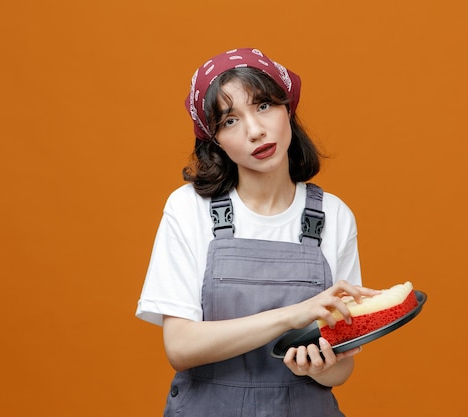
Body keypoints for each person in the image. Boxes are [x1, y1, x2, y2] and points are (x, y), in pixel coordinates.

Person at [136, 47, 377, 417]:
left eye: (264, 106)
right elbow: (180, 348)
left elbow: (343, 366)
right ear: (213, 139)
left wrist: (322, 367)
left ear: (288, 109)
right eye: (230, 121)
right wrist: (295, 315)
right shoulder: (189, 209)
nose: (255, 131)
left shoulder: (334, 215)